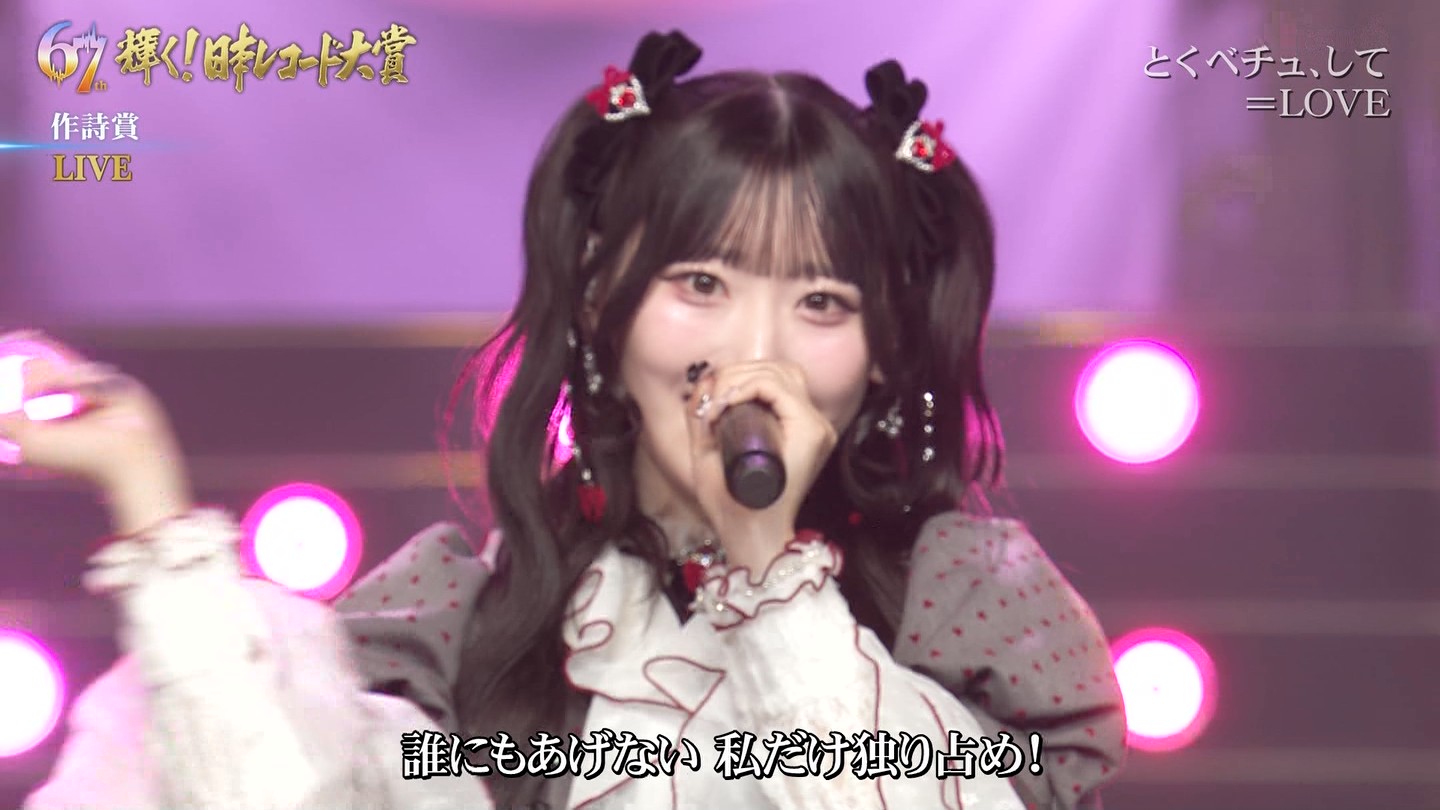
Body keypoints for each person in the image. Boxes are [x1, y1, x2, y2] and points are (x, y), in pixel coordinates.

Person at [5, 30, 1126, 810]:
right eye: (702, 284)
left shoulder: (960, 605)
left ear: (881, 349)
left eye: (821, 303)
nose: (757, 352)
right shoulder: (472, 615)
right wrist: (147, 492)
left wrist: (766, 563)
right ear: (600, 300)